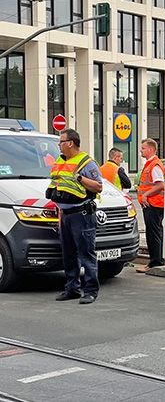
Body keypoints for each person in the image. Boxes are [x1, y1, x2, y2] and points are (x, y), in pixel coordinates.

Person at [46, 129, 103, 304]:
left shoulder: (87, 163)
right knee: (69, 254)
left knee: (86, 254)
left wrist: (79, 178)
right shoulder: (60, 162)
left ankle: (91, 291)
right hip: (65, 215)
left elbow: (98, 187)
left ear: (70, 143)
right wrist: (60, 211)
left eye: (61, 142)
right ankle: (72, 288)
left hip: (82, 214)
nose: (59, 145)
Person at [136, 138, 165, 272]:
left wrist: (146, 195)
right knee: (155, 232)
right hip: (153, 204)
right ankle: (158, 259)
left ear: (150, 150)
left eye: (143, 148)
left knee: (153, 233)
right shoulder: (151, 164)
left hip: (153, 204)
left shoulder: (154, 165)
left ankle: (155, 262)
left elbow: (160, 185)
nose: (140, 150)